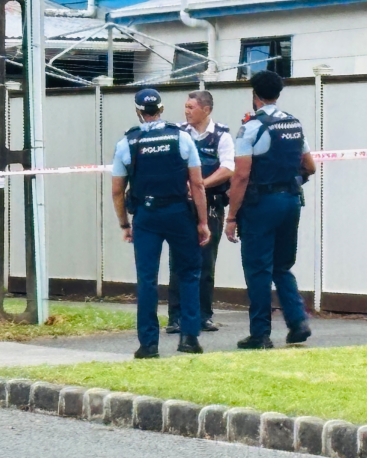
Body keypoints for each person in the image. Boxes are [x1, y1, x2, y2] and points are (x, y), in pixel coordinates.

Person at [110, 88, 210, 358]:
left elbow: (117, 191)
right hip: (179, 212)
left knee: (147, 280)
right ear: (162, 110)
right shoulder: (182, 138)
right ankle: (189, 337)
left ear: (137, 111)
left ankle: (148, 344)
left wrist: (124, 224)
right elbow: (197, 185)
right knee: (188, 274)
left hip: (147, 216)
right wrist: (202, 222)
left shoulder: (127, 143)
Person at [225, 71, 316, 349]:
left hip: (261, 204)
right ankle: (297, 321)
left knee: (258, 269)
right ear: (278, 94)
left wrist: (231, 216)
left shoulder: (251, 127)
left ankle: (260, 334)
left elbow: (240, 175)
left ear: (255, 95)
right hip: (290, 201)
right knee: (282, 266)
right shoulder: (293, 123)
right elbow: (310, 166)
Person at [166, 90, 233, 335]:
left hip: (212, 204)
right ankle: (176, 317)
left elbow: (228, 168)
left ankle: (204, 316)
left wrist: (201, 185)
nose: (186, 111)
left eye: (191, 107)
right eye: (185, 106)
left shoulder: (221, 136)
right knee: (178, 262)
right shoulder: (178, 133)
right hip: (182, 205)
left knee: (206, 262)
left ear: (206, 110)